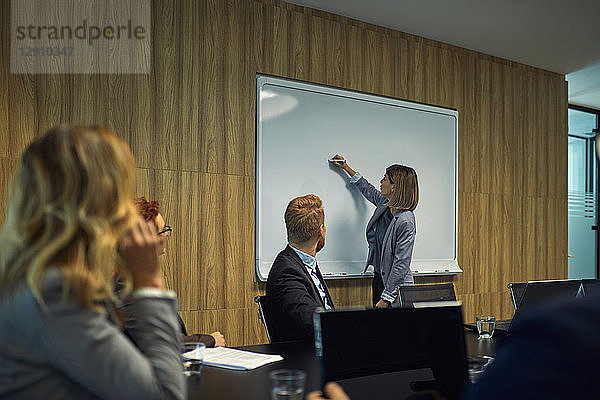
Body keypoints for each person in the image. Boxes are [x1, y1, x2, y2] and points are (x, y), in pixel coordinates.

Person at [0, 125, 185, 400]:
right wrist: (149, 283)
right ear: (96, 204)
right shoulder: (55, 294)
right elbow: (165, 395)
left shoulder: (25, 278)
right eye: (121, 192)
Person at [133, 196, 226, 348]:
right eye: (163, 230)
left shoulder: (141, 278)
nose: (167, 235)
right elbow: (165, 342)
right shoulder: (127, 286)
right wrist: (210, 340)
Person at [331, 155, 418, 307]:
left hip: (396, 288)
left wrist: (386, 297)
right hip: (379, 278)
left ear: (394, 187)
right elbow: (367, 189)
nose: (381, 182)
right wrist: (346, 167)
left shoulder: (406, 221)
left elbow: (401, 264)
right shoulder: (385, 204)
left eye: (385, 179)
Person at [265, 194, 335, 342]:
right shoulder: (287, 272)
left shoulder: (303, 263)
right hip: (305, 358)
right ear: (320, 231)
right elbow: (314, 321)